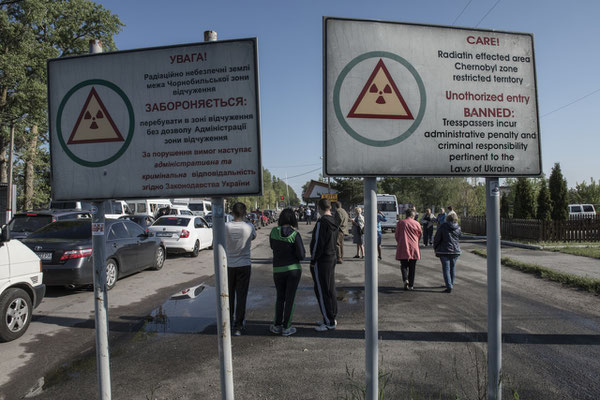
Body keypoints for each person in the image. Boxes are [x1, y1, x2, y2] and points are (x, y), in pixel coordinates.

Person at [269, 209, 305, 336]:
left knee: (280, 297)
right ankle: (287, 327)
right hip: (293, 270)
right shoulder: (295, 234)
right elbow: (301, 255)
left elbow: (273, 247)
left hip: (278, 270)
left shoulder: (273, 232)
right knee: (290, 298)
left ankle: (277, 325)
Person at [225, 202, 257, 336]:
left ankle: (227, 322)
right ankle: (238, 325)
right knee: (241, 296)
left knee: (229, 296)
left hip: (228, 265)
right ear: (244, 213)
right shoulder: (249, 226)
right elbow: (254, 237)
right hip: (244, 264)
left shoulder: (225, 226)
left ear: (232, 212)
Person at [310, 198, 339, 332]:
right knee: (330, 288)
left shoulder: (322, 222)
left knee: (322, 290)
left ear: (319, 207)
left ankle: (328, 321)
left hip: (322, 259)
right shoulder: (334, 220)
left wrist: (313, 259)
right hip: (332, 256)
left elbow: (317, 243)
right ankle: (331, 316)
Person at [433, 212, 462, 293]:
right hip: (455, 251)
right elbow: (459, 237)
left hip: (444, 250)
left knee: (446, 268)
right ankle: (450, 283)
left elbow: (437, 238)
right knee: (452, 268)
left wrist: (435, 247)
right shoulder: (458, 228)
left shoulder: (443, 227)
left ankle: (449, 286)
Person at [395, 208, 422, 290]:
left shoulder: (401, 222)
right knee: (412, 267)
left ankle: (405, 279)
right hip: (414, 246)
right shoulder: (417, 223)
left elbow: (397, 235)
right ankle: (411, 285)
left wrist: (399, 241)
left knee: (403, 265)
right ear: (413, 215)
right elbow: (420, 235)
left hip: (403, 245)